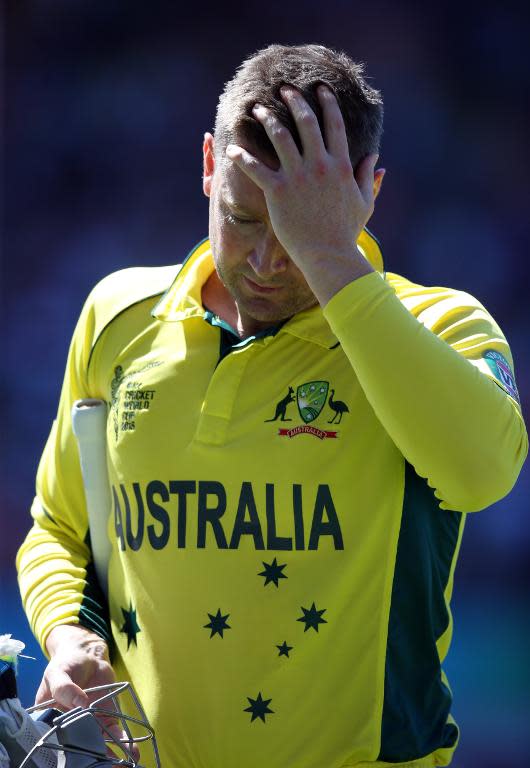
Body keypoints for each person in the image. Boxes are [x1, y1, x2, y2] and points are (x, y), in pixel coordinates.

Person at [17, 43, 527, 768]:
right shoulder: (117, 314)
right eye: (244, 219)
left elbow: (484, 474)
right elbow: (60, 529)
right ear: (205, 165)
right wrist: (69, 637)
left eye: (296, 228)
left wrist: (332, 258)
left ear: (369, 192)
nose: (265, 261)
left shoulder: (440, 327)